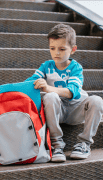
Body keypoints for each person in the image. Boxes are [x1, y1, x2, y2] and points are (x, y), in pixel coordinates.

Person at [24, 23, 103, 162]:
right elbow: (29, 83)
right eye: (52, 48)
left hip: (75, 111)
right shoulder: (46, 66)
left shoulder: (75, 68)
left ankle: (84, 143)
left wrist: (49, 88)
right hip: (57, 111)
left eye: (62, 49)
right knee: (50, 97)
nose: (57, 53)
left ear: (73, 50)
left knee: (97, 100)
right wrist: (6, 92)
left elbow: (72, 92)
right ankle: (56, 144)